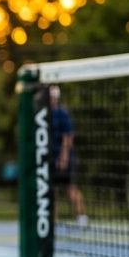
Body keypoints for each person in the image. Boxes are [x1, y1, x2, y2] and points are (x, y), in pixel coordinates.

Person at [49, 85, 88, 227]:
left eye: (53, 97)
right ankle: (52, 221)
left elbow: (68, 136)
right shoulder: (44, 114)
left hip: (63, 157)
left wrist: (64, 157)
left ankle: (81, 217)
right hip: (50, 158)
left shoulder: (62, 113)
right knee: (50, 191)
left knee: (70, 188)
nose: (51, 100)